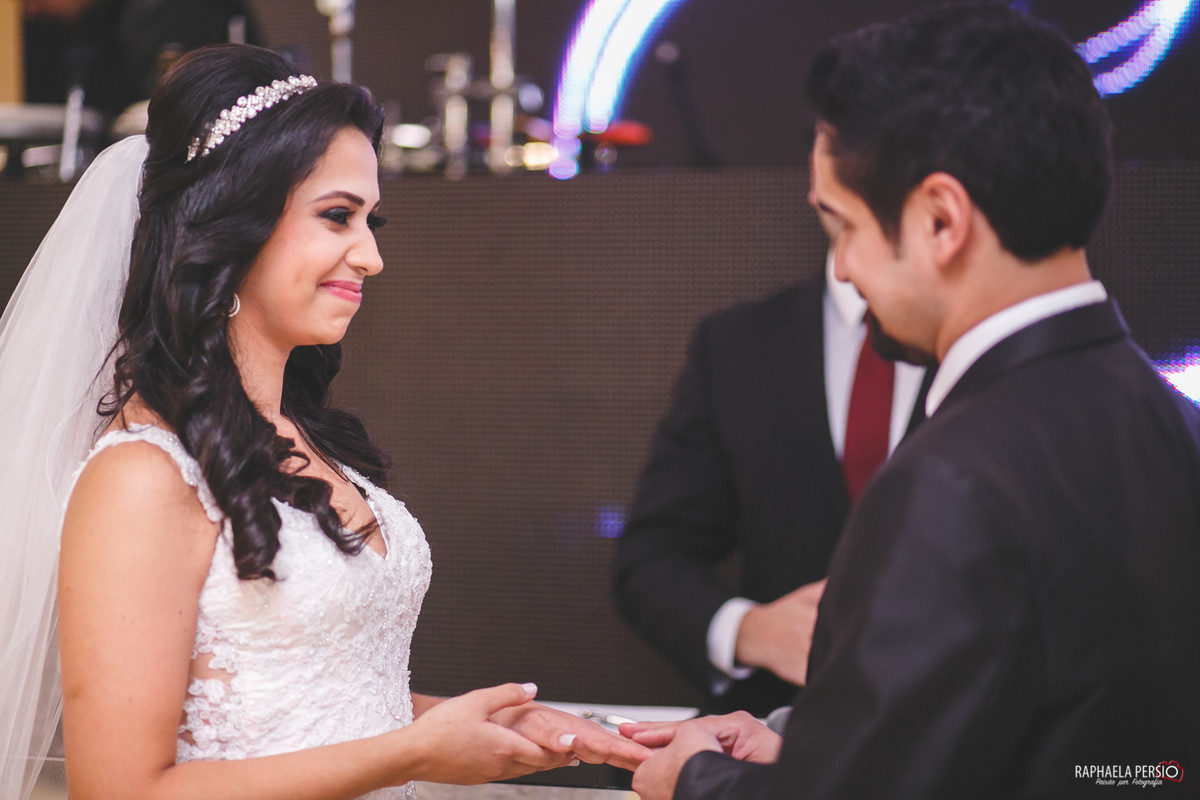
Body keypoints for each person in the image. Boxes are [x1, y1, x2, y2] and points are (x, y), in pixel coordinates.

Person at [0, 44, 647, 800]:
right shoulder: (142, 476)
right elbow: (120, 791)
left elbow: (314, 706)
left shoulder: (304, 435)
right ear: (231, 224)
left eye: (371, 221)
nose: (370, 256)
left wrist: (493, 726)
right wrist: (411, 753)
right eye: (338, 216)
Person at [621, 4, 1200, 798]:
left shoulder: (951, 480)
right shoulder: (1177, 428)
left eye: (844, 226)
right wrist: (809, 743)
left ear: (939, 220)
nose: (844, 270)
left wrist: (695, 779)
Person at [613, 236, 928, 716]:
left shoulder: (986, 341)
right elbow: (649, 557)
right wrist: (747, 630)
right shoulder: (736, 346)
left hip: (963, 724)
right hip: (777, 726)